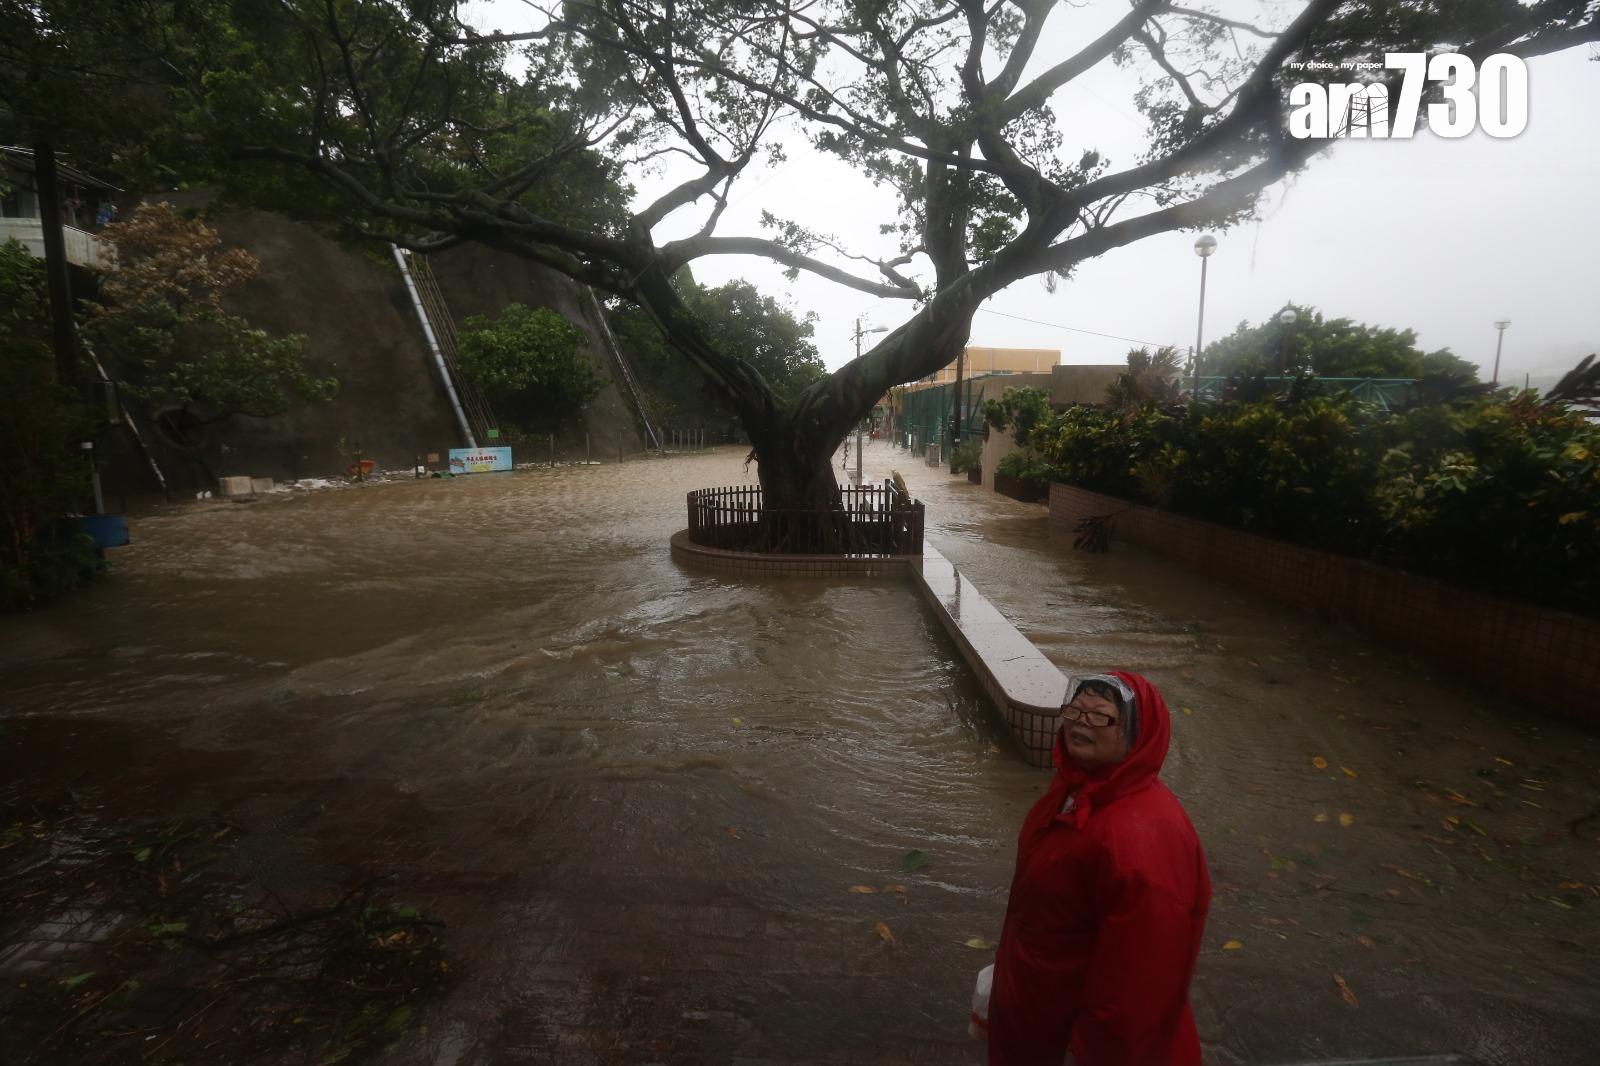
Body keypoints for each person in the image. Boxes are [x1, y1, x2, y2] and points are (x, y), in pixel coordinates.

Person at [987, 671, 1210, 1066]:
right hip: (1036, 1010)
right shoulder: (1076, 789)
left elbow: (1138, 988)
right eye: (1076, 708)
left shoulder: (1142, 841)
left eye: (1100, 716)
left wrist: (1089, 1053)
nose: (1080, 722)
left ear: (1136, 734)